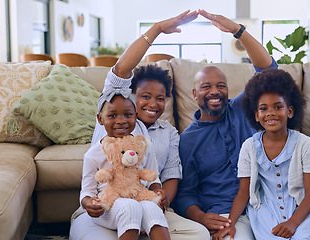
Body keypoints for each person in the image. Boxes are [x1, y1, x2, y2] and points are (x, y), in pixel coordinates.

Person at [73, 10, 209, 240]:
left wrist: (162, 199)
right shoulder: (113, 118)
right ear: (130, 95)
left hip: (147, 207)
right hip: (106, 210)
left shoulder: (168, 132)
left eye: (160, 98)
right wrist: (156, 29)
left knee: (200, 235)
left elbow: (170, 174)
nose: (153, 104)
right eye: (145, 96)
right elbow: (121, 71)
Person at [173, 9, 278, 240]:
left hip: (263, 205)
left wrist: (238, 31)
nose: (214, 92)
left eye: (221, 85)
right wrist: (200, 217)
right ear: (194, 93)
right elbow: (185, 193)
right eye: (206, 87)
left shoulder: (241, 108)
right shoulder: (187, 140)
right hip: (222, 213)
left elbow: (269, 72)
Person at [212, 69, 310, 240]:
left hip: (299, 207)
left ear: (290, 111)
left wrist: (293, 222)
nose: (270, 113)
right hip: (265, 209)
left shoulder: (304, 144)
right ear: (256, 115)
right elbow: (243, 192)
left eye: (278, 107)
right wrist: (231, 223)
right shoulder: (249, 147)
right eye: (264, 109)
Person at [73, 84, 170, 240]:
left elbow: (154, 179)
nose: (121, 121)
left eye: (127, 115)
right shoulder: (93, 154)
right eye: (112, 116)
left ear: (136, 115)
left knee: (151, 206)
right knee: (129, 206)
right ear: (100, 119)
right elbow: (87, 193)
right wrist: (89, 203)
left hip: (137, 199)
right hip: (108, 207)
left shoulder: (144, 146)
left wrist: (158, 191)